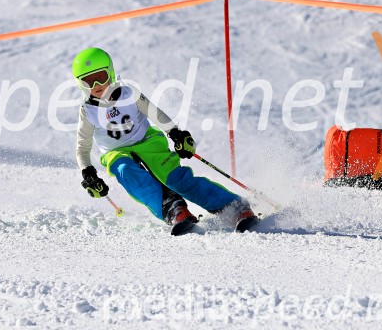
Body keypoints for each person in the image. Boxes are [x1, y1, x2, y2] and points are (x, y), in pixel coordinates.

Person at [72, 48, 257, 235]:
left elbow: (155, 113)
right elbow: (82, 147)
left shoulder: (129, 93)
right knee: (125, 170)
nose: (96, 84)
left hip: (147, 141)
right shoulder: (87, 111)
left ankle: (232, 206)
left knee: (175, 178)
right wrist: (88, 173)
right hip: (115, 152)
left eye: (100, 77)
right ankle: (173, 209)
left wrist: (176, 133)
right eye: (87, 81)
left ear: (110, 72)